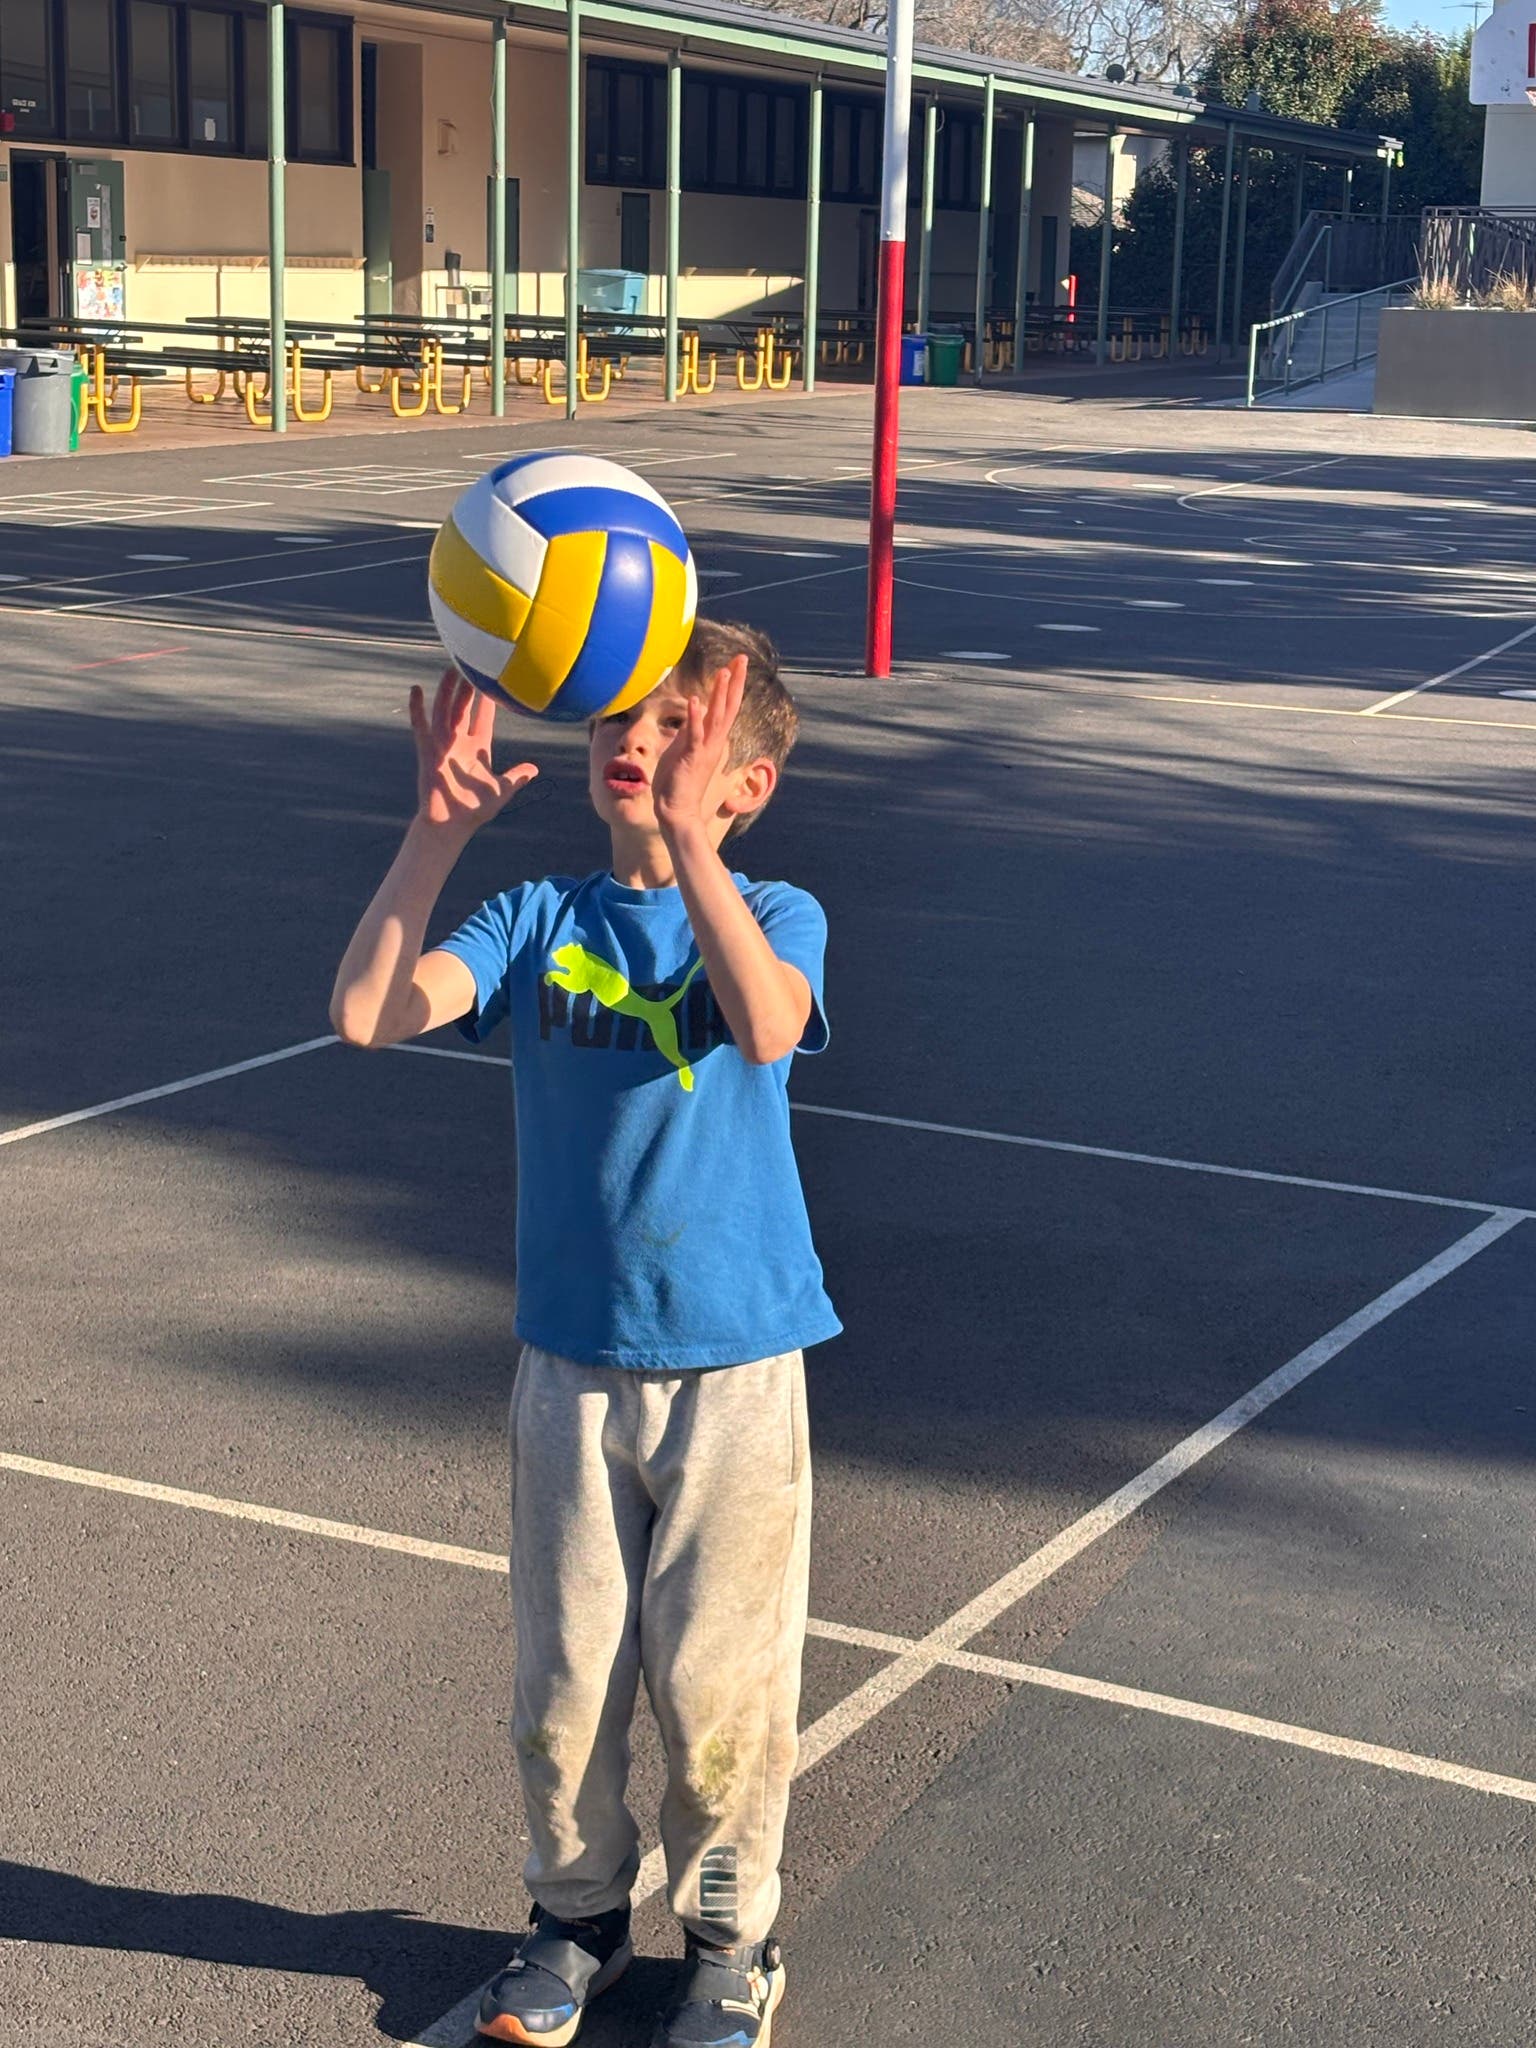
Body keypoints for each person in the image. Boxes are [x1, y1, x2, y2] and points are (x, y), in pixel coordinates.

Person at [329, 618, 839, 2048]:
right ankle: (575, 1925)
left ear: (746, 783)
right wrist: (431, 841)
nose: (642, 743)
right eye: (630, 718)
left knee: (718, 1684)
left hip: (735, 1366)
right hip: (571, 1360)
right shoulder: (538, 919)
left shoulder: (776, 911)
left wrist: (694, 856)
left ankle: (734, 1946)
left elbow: (764, 1024)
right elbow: (368, 1012)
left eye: (684, 731)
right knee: (563, 1679)